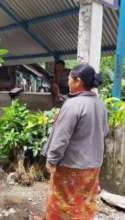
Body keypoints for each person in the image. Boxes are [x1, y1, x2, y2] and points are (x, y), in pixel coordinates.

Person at [42, 64, 109, 220]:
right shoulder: (100, 105)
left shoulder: (73, 105)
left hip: (71, 167)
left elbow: (61, 138)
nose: (68, 80)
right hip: (93, 167)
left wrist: (51, 160)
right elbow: (104, 132)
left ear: (78, 81)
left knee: (63, 205)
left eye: (70, 77)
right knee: (84, 204)